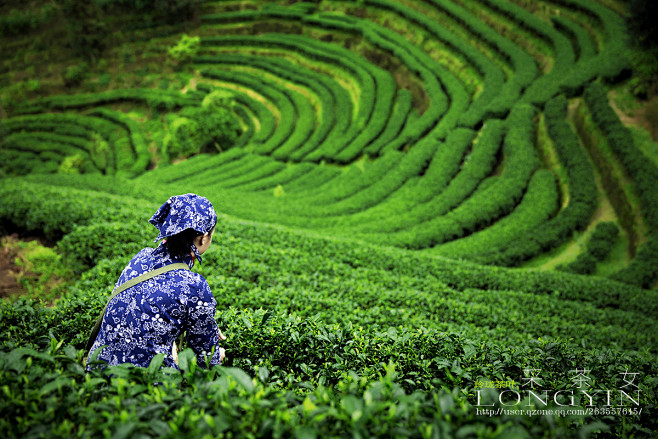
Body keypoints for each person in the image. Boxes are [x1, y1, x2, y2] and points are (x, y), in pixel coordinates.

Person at [86, 193, 226, 371]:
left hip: (96, 371)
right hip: (141, 386)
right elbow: (206, 358)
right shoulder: (193, 285)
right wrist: (217, 352)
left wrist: (205, 325)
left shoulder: (141, 257)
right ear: (203, 238)